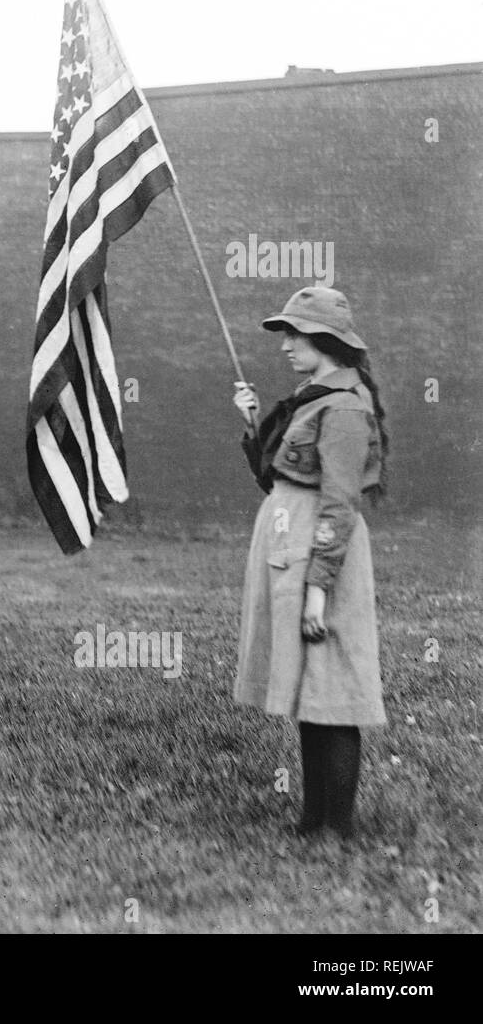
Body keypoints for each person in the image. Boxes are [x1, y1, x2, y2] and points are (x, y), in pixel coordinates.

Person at [231, 287, 389, 840]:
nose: (285, 346)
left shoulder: (343, 406)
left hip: (324, 554)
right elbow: (276, 480)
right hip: (289, 544)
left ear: (325, 340)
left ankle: (337, 828)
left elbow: (339, 503)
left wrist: (319, 589)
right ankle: (312, 820)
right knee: (309, 690)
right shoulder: (311, 397)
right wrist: (253, 426)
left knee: (334, 690)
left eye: (294, 334)